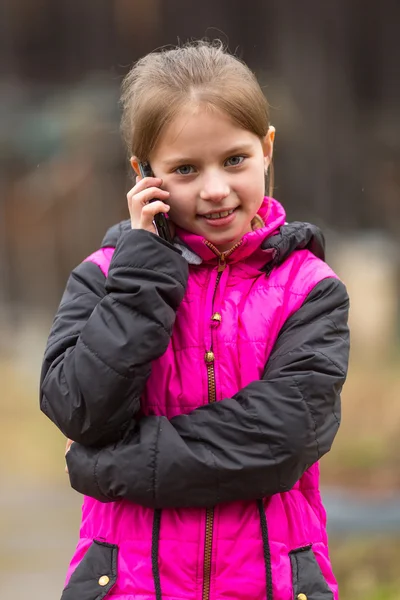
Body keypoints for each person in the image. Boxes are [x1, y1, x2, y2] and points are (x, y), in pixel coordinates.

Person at [40, 40, 350, 600]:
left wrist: (107, 467)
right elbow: (79, 408)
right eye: (185, 169)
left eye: (235, 159)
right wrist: (143, 277)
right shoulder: (105, 278)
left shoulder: (310, 290)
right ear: (144, 175)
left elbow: (278, 440)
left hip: (269, 585)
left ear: (267, 148)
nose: (214, 190)